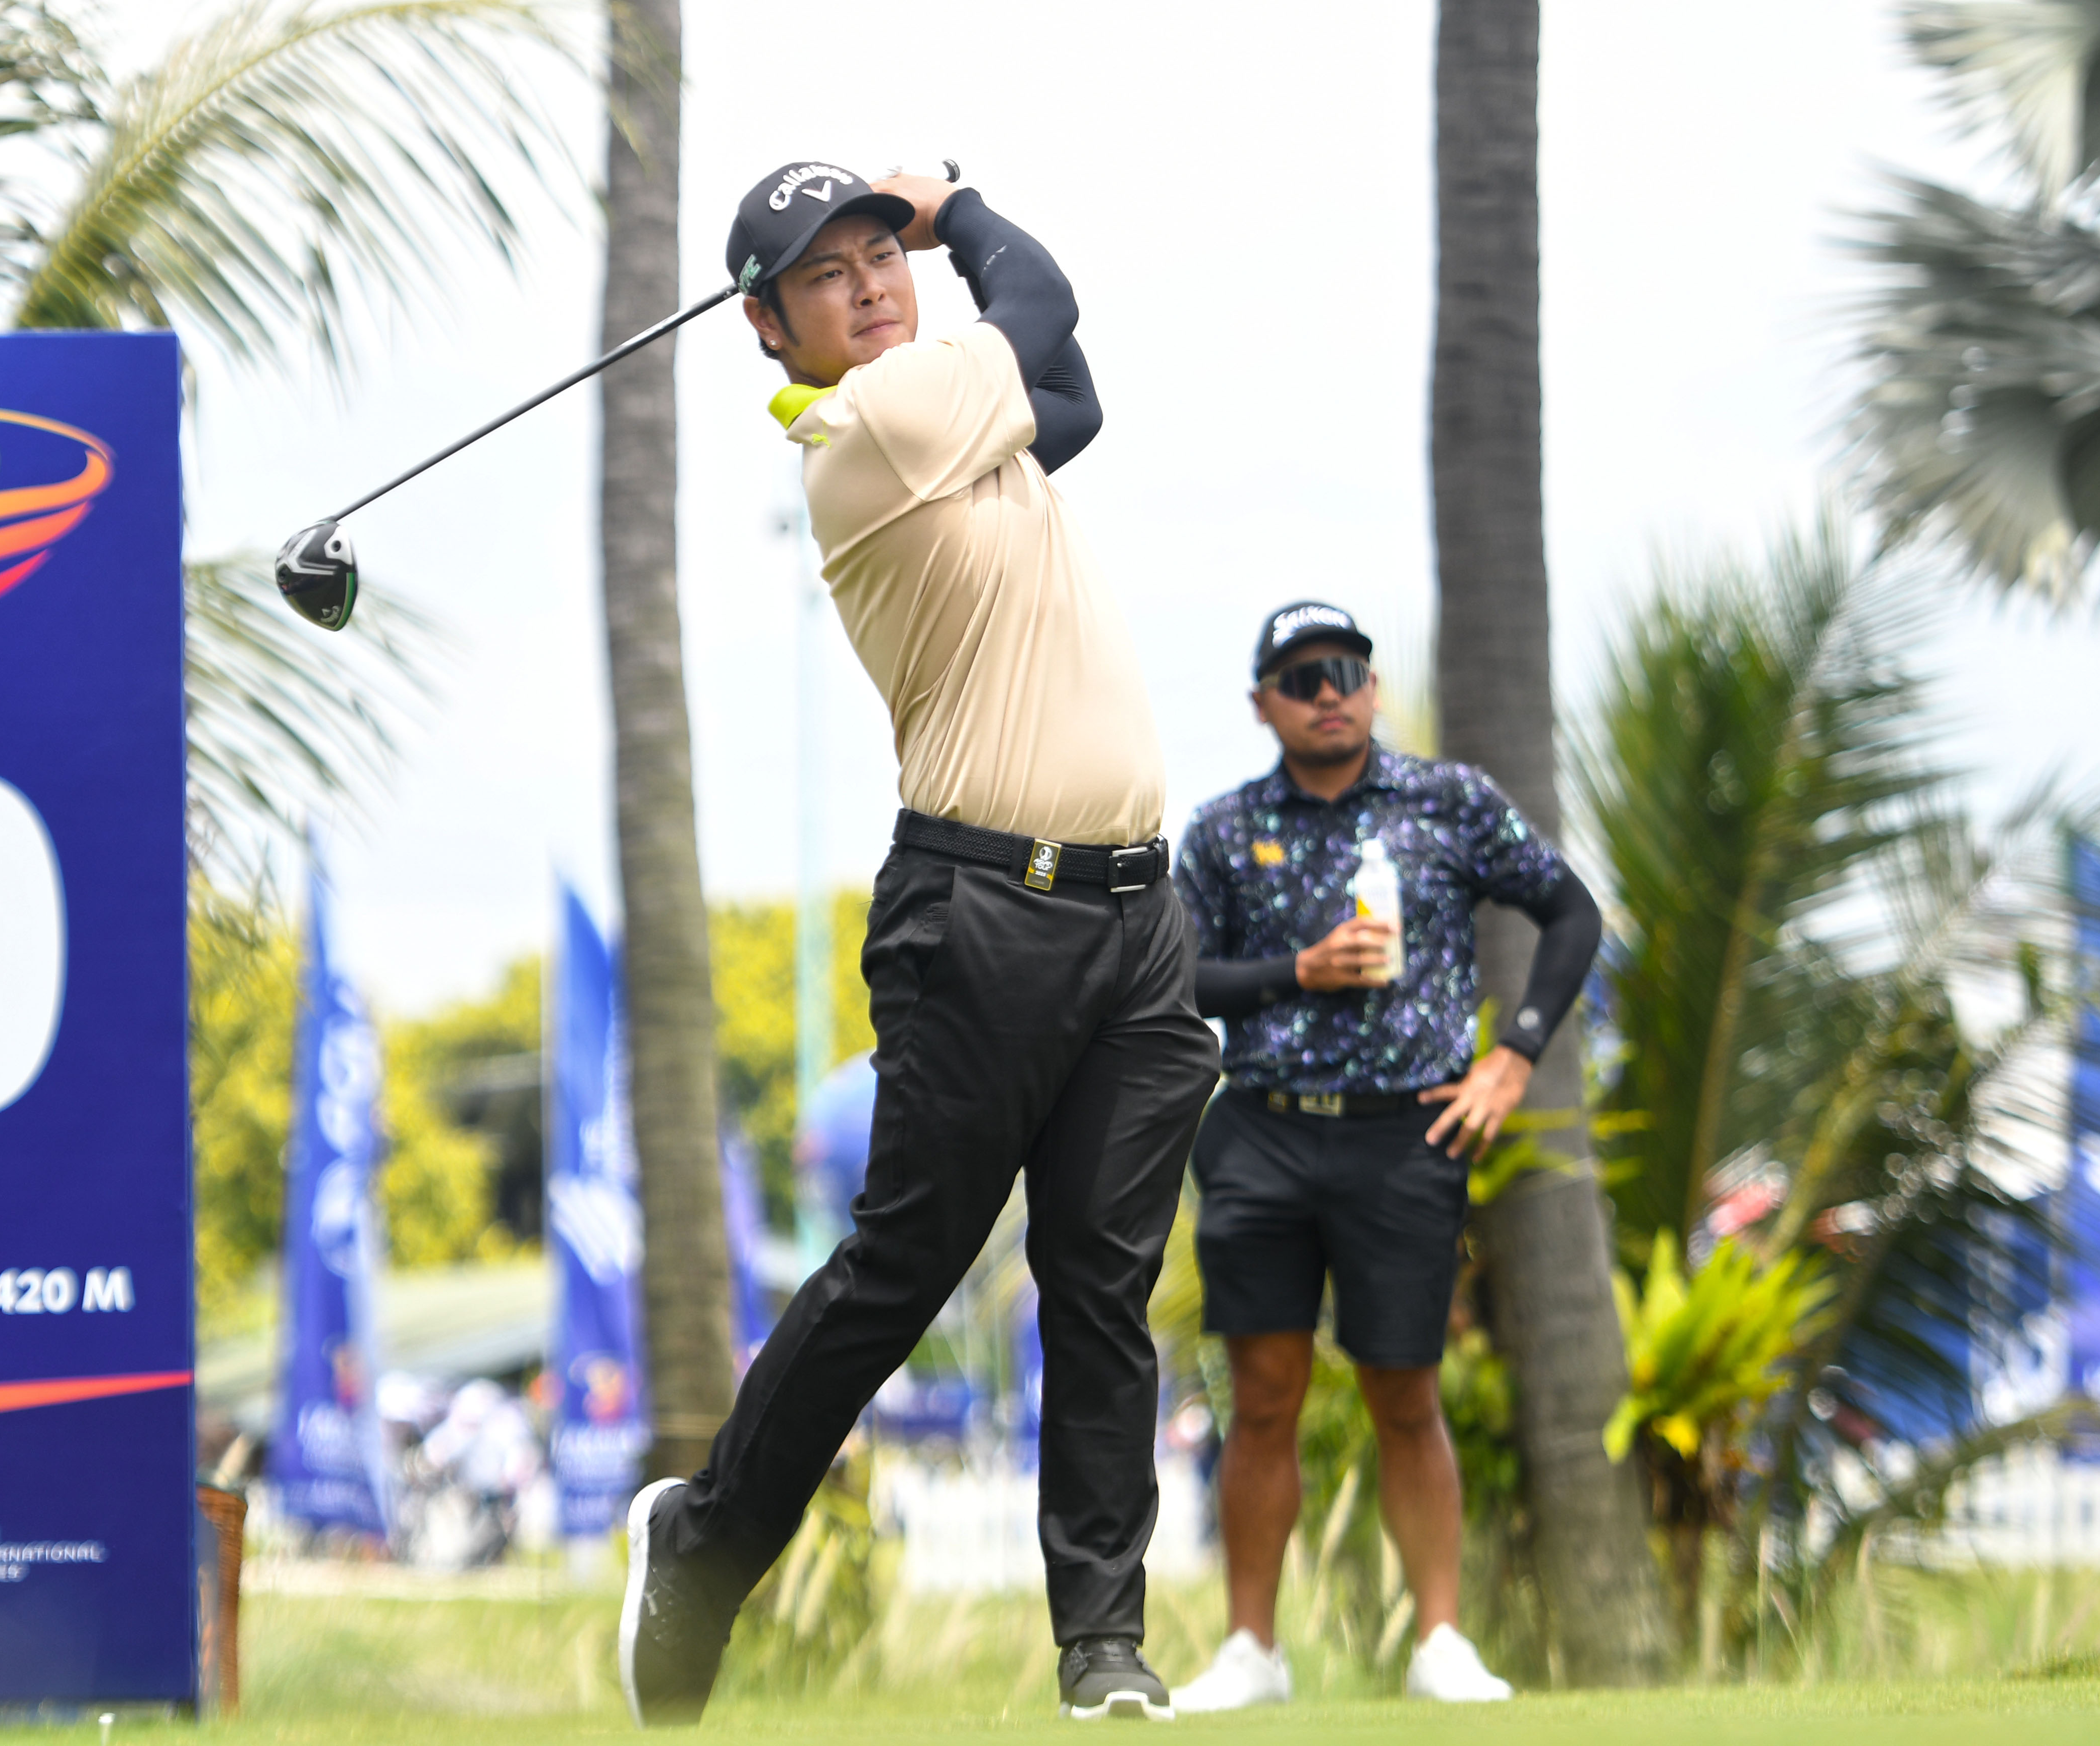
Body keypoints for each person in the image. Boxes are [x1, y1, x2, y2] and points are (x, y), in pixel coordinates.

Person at [616, 162, 1219, 1727]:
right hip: (983, 913)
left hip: (1137, 919)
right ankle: (706, 1539)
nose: (873, 281)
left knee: (1102, 1287)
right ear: (769, 330)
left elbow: (1073, 395)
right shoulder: (876, 424)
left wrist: (943, 241)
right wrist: (954, 206)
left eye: (883, 251)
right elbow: (1048, 306)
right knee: (903, 1269)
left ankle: (1104, 1648)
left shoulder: (966, 423)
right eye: (828, 275)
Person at [1164, 602, 1602, 1709]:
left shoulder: (1449, 802)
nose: (1329, 694)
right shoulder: (1221, 829)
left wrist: (1515, 1058)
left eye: (1346, 672)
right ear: (1263, 703)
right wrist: (1297, 971)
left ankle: (1440, 1641)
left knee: (1405, 1389)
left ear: (1371, 688)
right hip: (1263, 1125)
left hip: (1406, 1132)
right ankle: (1252, 1651)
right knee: (1262, 1396)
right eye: (1302, 677)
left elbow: (1572, 913)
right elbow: (1174, 977)